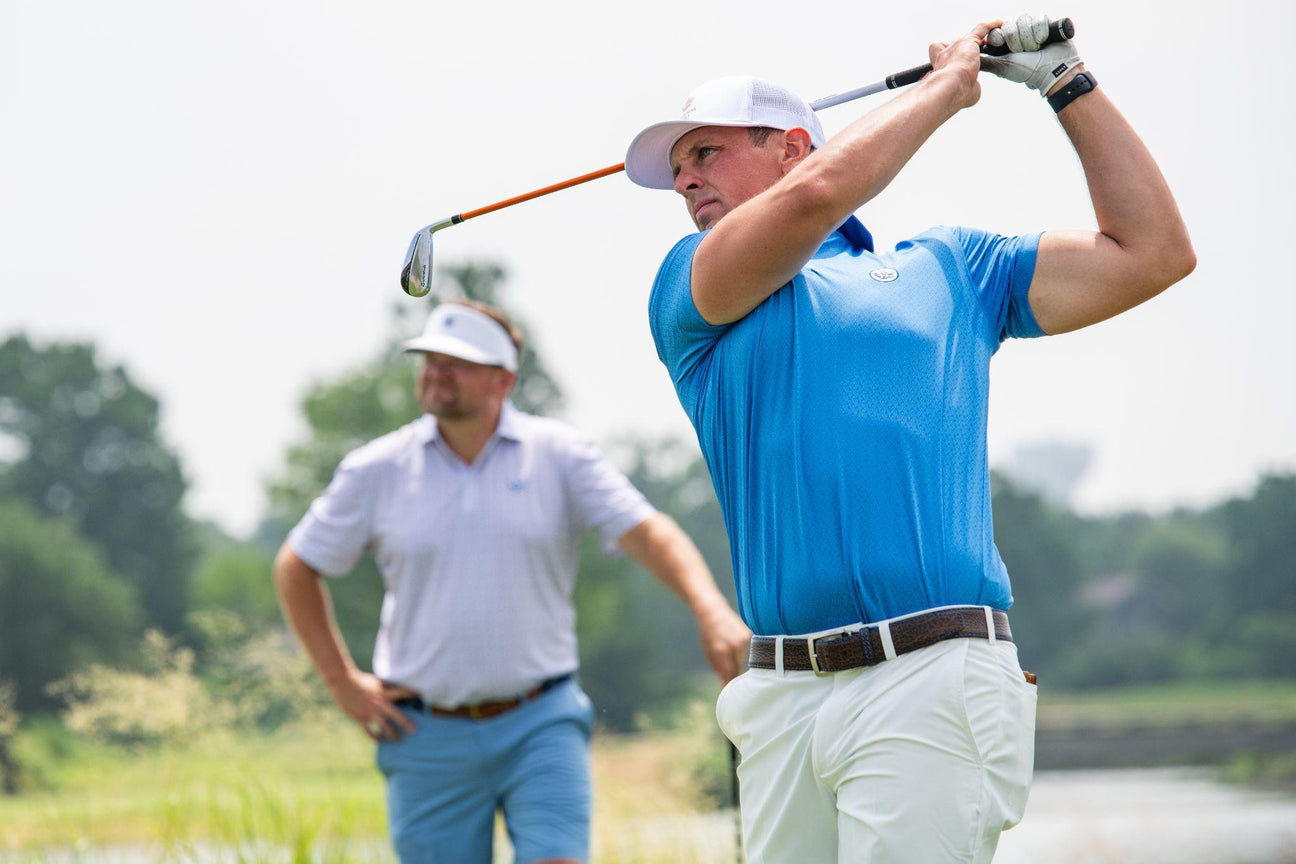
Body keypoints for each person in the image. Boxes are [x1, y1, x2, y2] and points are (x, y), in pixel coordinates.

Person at [624, 14, 1194, 864]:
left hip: (930, 675)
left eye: (704, 153)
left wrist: (1066, 83)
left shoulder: (954, 268)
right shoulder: (693, 285)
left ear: (790, 146)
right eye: (676, 168)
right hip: (779, 694)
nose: (684, 182)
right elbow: (817, 198)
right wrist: (946, 91)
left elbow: (1152, 254)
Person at [273, 299, 751, 864]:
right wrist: (341, 682)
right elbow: (297, 565)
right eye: (430, 359)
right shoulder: (376, 470)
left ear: (503, 379)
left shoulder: (559, 455)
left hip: (540, 722)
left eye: (459, 362)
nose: (436, 372)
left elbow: (648, 533)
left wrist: (710, 609)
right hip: (427, 736)